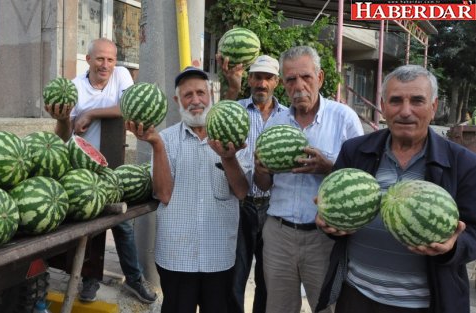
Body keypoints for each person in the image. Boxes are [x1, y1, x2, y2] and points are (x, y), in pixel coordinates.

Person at [315, 64, 476, 313]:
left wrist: (452, 246)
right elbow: (339, 215)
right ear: (383, 105)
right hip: (357, 295)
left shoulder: (463, 163)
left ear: (433, 107)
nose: (405, 111)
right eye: (396, 100)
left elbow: (474, 233)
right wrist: (328, 223)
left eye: (417, 101)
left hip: (424, 304)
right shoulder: (355, 151)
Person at [126, 66, 250, 313]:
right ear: (177, 101)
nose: (196, 101)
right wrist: (155, 144)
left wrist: (228, 158)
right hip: (176, 255)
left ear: (211, 95)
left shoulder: (233, 135)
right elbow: (163, 194)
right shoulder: (166, 139)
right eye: (188, 95)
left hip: (219, 256)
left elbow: (242, 191)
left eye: (200, 93)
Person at [45, 38, 156, 304]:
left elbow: (127, 107)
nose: (105, 65)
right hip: (81, 167)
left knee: (123, 224)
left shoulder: (121, 76)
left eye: (110, 59)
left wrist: (92, 113)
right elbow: (63, 136)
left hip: (113, 162)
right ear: (88, 59)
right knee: (90, 227)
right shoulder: (74, 87)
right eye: (100, 59)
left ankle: (134, 278)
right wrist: (63, 119)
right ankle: (90, 279)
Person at [253, 45, 364, 313]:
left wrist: (328, 167)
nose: (299, 85)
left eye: (306, 77)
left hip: (323, 237)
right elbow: (264, 185)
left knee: (327, 306)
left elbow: (362, 179)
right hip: (278, 234)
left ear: (321, 78)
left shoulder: (343, 118)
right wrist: (261, 169)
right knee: (279, 308)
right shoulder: (275, 122)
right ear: (283, 84)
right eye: (291, 79)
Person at [219, 54, 287, 313]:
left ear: (276, 82)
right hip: (240, 203)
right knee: (235, 273)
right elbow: (216, 121)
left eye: (268, 78)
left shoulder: (288, 116)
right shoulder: (234, 109)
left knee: (268, 278)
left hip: (273, 206)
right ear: (249, 79)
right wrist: (230, 88)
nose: (262, 83)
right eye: (257, 77)